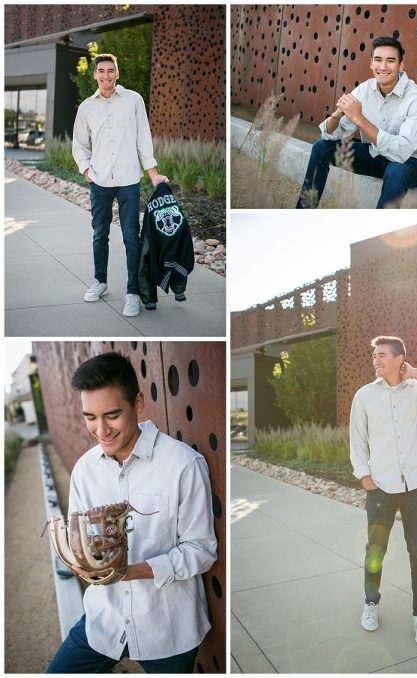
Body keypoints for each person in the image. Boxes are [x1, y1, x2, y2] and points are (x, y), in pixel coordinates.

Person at [47, 352, 217, 673]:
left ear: (138, 404)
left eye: (112, 415)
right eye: (90, 417)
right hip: (104, 619)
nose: (101, 430)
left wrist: (132, 571)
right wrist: (81, 560)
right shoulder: (85, 470)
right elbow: (80, 537)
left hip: (168, 627)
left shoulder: (183, 465)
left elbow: (201, 552)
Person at [349, 336, 417, 646]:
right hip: (380, 487)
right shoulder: (365, 395)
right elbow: (357, 439)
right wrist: (364, 476)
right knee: (375, 551)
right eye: (374, 355)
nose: (376, 360)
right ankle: (370, 604)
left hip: (414, 487)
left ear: (400, 359)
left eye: (382, 355)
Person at [72, 54, 168, 318]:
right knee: (99, 234)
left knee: (130, 237)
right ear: (94, 75)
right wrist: (87, 169)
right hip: (100, 181)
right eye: (101, 71)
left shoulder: (134, 100)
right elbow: (79, 144)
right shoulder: (86, 108)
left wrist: (153, 174)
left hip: (128, 180)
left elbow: (143, 139)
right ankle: (100, 282)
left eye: (110, 71)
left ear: (117, 73)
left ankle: (133, 293)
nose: (106, 75)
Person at [296, 36, 417, 209]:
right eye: (378, 60)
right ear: (371, 64)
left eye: (390, 61)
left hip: (413, 162)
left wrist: (359, 119)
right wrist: (337, 116)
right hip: (376, 154)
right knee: (321, 147)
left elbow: (403, 151)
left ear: (401, 66)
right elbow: (330, 135)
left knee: (396, 170)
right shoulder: (364, 89)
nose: (383, 67)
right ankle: (303, 213)